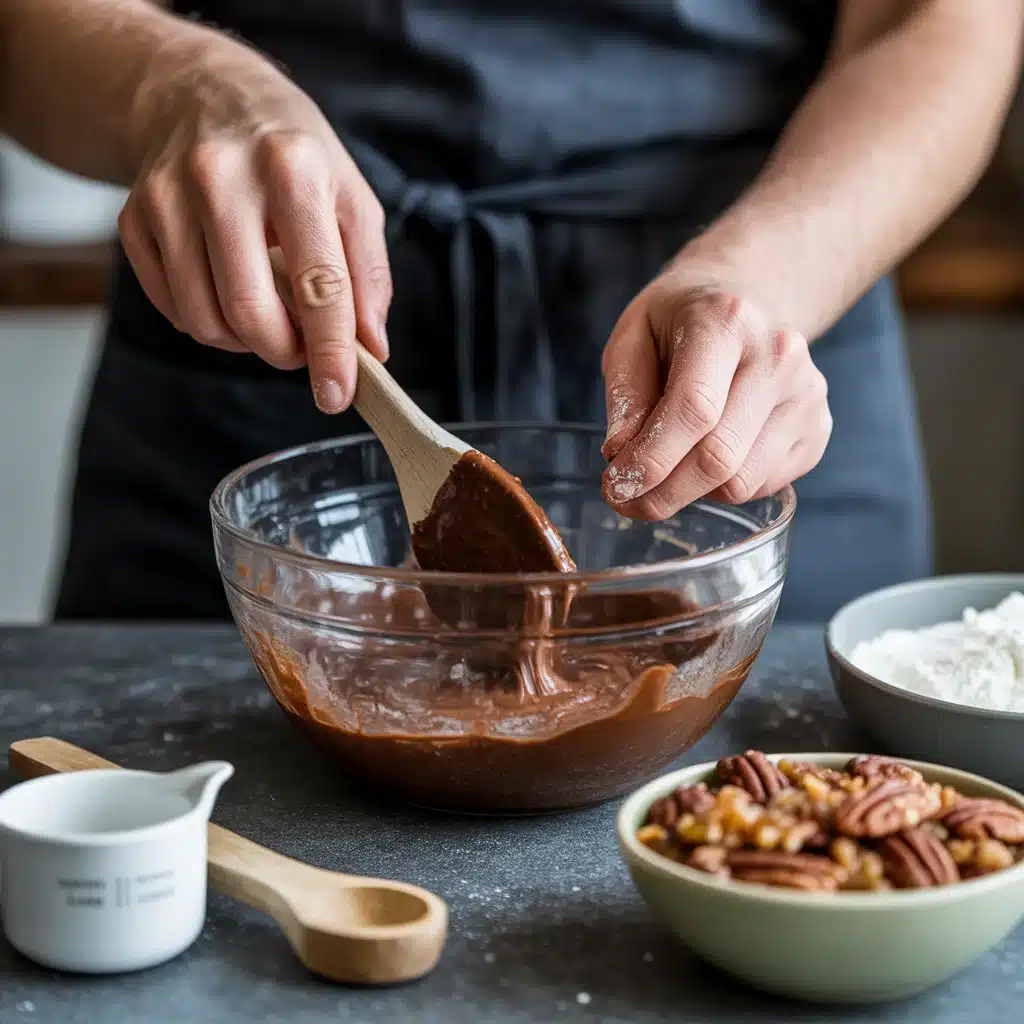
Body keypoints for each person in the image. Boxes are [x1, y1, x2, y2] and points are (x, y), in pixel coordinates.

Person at [1, 1, 1020, 622]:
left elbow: (941, 20)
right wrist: (178, 85)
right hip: (265, 319)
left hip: (747, 361)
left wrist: (764, 274)